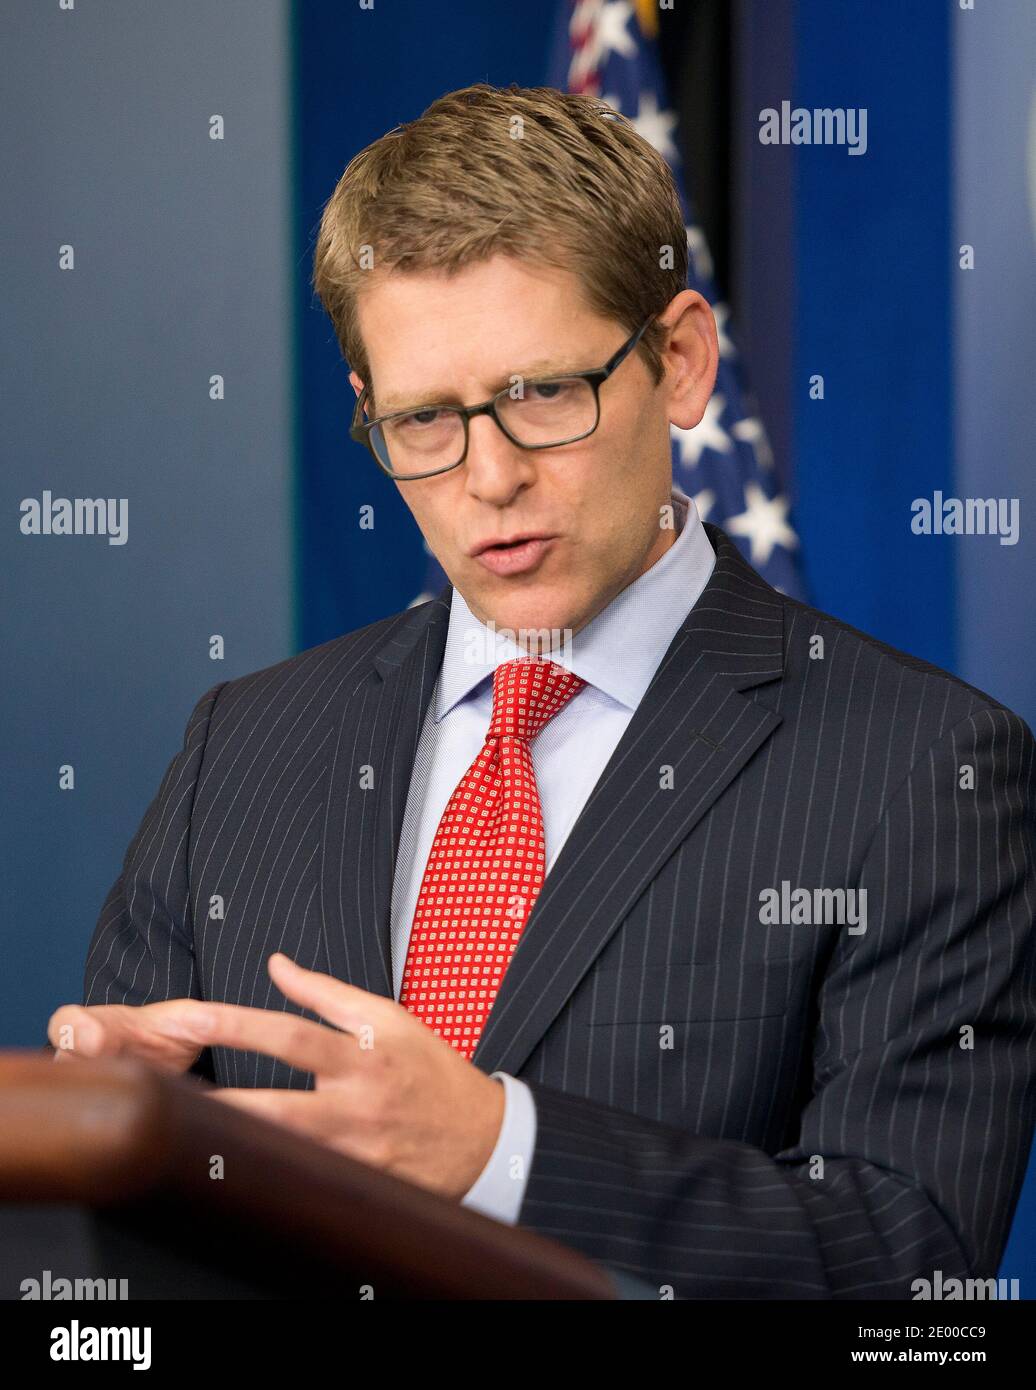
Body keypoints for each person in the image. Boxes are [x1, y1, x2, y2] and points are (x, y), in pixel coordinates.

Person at [50, 83, 1036, 1299]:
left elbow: (908, 1267)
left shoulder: (920, 764)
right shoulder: (240, 746)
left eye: (542, 395)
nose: (490, 478)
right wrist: (120, 1126)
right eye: (424, 420)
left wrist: (497, 1152)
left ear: (678, 362)